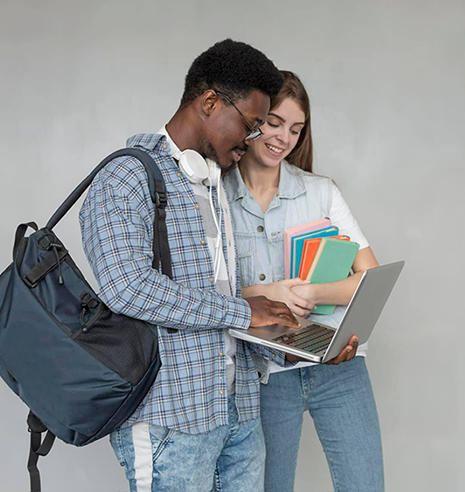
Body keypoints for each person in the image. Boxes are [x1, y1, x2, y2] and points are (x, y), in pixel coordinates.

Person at [79, 41, 356, 492]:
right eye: (250, 126)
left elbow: (218, 302)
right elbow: (126, 287)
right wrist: (246, 312)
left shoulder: (211, 184)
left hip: (239, 411)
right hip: (171, 418)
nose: (253, 142)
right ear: (210, 102)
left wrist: (283, 345)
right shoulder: (125, 176)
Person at [224, 70, 383, 492]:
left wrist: (312, 292)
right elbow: (204, 296)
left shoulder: (321, 192)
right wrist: (268, 294)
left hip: (337, 365)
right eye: (274, 123)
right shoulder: (216, 195)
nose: (283, 138)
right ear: (253, 118)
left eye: (296, 129)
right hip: (264, 376)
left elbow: (368, 277)